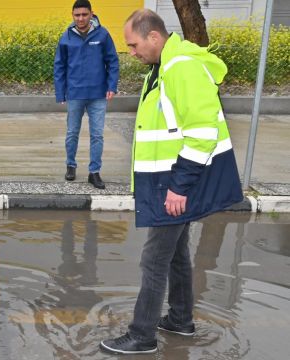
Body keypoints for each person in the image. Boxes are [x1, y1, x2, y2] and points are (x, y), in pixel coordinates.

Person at [99, 9, 243, 354]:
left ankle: (142, 335)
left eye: (133, 45)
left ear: (153, 37)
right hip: (170, 178)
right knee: (176, 254)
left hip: (176, 182)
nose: (131, 52)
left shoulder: (182, 68)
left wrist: (180, 186)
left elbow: (203, 131)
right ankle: (180, 319)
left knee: (154, 259)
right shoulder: (165, 66)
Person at [53, 0, 119, 189]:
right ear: (72, 15)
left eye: (84, 14)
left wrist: (111, 86)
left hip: (98, 94)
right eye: (77, 15)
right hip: (75, 94)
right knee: (72, 133)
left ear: (91, 14)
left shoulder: (103, 35)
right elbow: (59, 66)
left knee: (97, 135)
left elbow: (112, 61)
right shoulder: (66, 37)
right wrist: (60, 92)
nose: (80, 18)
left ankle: (94, 172)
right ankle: (70, 166)